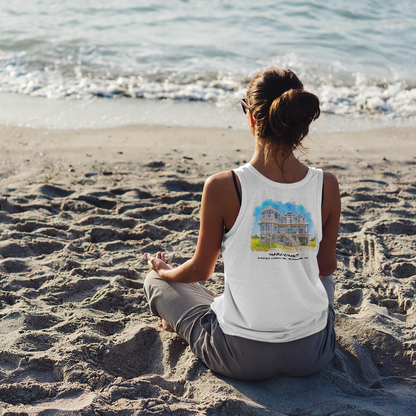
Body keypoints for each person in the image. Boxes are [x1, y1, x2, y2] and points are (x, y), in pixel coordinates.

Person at [143, 67, 341, 381]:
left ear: (251, 118)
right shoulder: (326, 185)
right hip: (311, 354)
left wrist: (165, 272)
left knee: (155, 283)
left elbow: (200, 272)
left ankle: (179, 320)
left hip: (240, 358)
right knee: (321, 282)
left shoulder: (223, 186)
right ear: (302, 126)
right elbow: (325, 267)